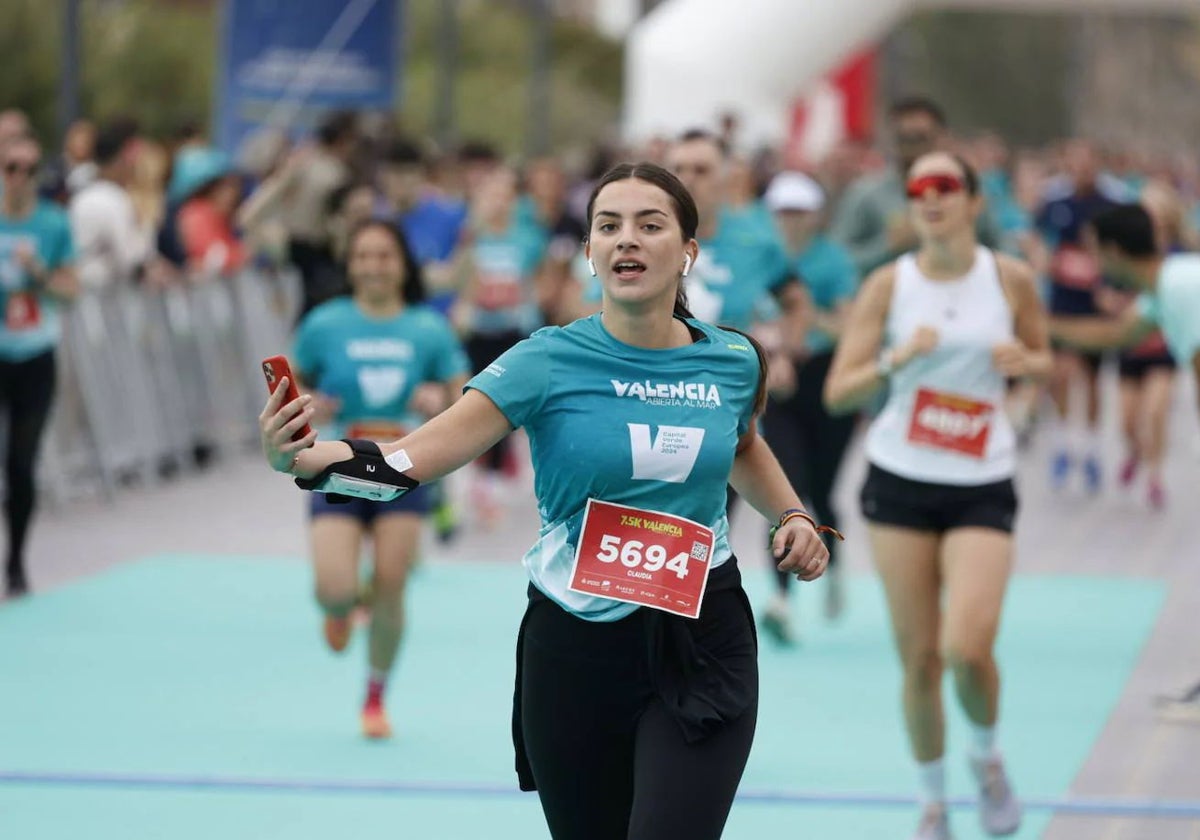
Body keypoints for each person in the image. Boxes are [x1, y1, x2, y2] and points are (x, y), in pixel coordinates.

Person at [260, 162, 832, 839]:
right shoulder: (545, 360)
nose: (628, 240)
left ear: (688, 253)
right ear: (588, 251)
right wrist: (304, 460)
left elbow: (741, 445)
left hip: (703, 636)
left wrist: (794, 515)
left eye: (651, 225)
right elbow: (409, 462)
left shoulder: (732, 360)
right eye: (608, 226)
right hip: (575, 643)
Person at [825, 151, 1050, 840]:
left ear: (974, 201)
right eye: (916, 187)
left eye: (944, 186)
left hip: (981, 481)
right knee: (919, 658)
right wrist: (896, 360)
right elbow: (839, 393)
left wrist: (1026, 367)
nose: (928, 197)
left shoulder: (1008, 278)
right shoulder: (889, 287)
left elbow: (1044, 361)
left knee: (966, 648)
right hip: (900, 478)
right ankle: (933, 805)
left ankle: (986, 759)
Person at [289, 219, 470, 738]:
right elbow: (291, 380)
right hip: (338, 466)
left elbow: (463, 398)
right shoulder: (325, 323)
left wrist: (439, 402)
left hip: (404, 469)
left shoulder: (427, 328)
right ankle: (345, 605)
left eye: (384, 255)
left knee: (392, 584)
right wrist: (309, 404)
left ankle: (374, 697)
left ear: (402, 265)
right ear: (350, 264)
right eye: (363, 255)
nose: (373, 266)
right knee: (333, 590)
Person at [1047, 201, 1200, 724]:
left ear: (1112, 250)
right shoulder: (1165, 287)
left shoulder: (1181, 286)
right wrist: (1034, 325)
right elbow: (1113, 336)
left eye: (1093, 249)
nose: (1089, 259)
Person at [759, 171, 859, 638]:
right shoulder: (761, 255)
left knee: (822, 489)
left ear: (815, 214)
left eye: (799, 211)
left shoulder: (833, 260)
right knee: (785, 490)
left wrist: (803, 313)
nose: (791, 220)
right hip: (777, 380)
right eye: (783, 211)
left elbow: (850, 328)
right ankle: (780, 599)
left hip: (824, 377)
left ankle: (835, 570)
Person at [0, 134, 79, 597]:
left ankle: (15, 561)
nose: (20, 178)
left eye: (30, 170)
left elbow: (71, 289)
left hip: (34, 353)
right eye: (11, 167)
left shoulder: (53, 224)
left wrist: (38, 274)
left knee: (20, 462)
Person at [829, 96, 1005, 278]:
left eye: (920, 137)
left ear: (943, 137)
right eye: (903, 138)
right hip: (892, 298)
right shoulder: (866, 194)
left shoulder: (968, 189)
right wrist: (887, 245)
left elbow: (1004, 248)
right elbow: (835, 262)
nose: (912, 146)